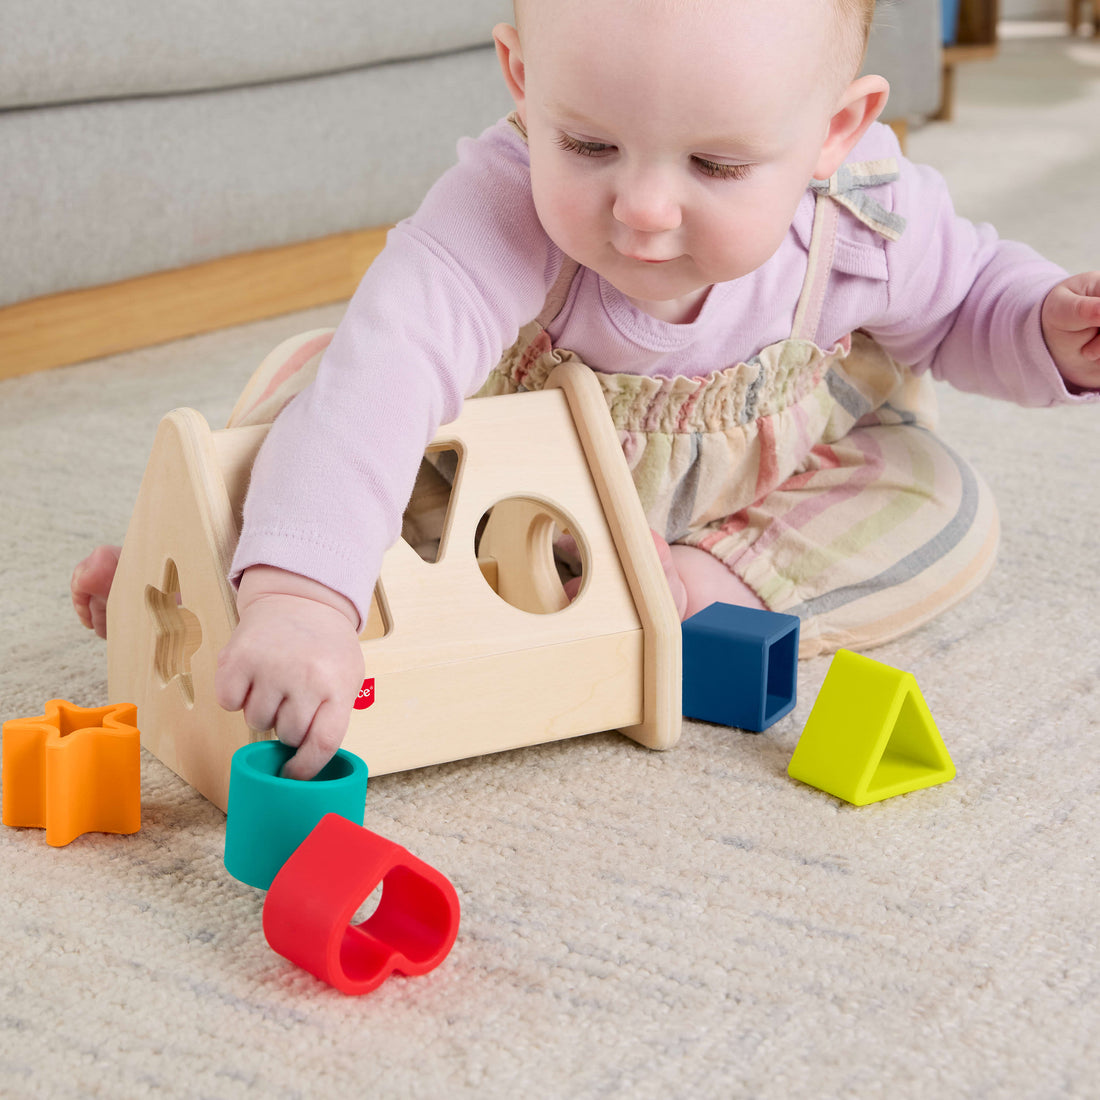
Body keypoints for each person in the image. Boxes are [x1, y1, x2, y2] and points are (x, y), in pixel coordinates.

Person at [73, 0, 1100, 781]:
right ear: (523, 83)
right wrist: (303, 601)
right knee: (323, 377)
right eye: (589, 146)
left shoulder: (865, 215)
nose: (642, 208)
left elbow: (966, 302)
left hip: (751, 492)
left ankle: (699, 590)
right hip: (490, 502)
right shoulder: (499, 201)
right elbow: (390, 364)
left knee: (940, 499)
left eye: (715, 163)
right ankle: (216, 552)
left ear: (836, 128)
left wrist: (1041, 325)